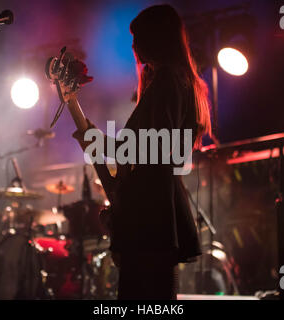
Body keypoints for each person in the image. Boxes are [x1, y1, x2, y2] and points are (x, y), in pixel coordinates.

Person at [72, 4, 212, 300]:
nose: (133, 46)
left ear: (156, 39)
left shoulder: (167, 80)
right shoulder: (179, 80)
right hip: (158, 207)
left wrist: (94, 138)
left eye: (138, 37)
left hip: (151, 211)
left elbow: (145, 149)